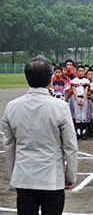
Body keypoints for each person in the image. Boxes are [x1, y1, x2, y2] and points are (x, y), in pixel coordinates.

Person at [2, 56, 78, 215]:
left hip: (23, 176)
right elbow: (70, 146)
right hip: (52, 178)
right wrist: (70, 175)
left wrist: (15, 172)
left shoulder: (12, 107)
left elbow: (9, 146)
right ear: (51, 79)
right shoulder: (61, 107)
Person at [70, 65, 90, 140]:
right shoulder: (74, 80)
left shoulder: (86, 80)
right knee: (78, 116)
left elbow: (86, 90)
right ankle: (78, 132)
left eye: (82, 71)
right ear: (77, 71)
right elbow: (73, 90)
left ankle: (83, 132)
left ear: (84, 71)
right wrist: (77, 99)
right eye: (79, 71)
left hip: (84, 98)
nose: (81, 72)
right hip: (76, 98)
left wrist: (84, 99)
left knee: (84, 116)